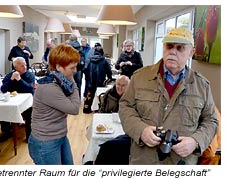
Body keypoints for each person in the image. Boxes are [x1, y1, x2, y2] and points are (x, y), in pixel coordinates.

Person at [119, 28, 218, 165]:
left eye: (180, 48)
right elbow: (125, 106)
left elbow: (211, 121)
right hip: (144, 161)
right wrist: (140, 130)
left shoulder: (202, 86)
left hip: (181, 163)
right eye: (169, 46)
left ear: (191, 52)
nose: (173, 51)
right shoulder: (140, 77)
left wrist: (195, 141)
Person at [28, 44, 81, 165]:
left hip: (59, 135)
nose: (75, 71)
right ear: (58, 67)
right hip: (46, 142)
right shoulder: (49, 87)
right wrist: (73, 81)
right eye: (72, 68)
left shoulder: (60, 81)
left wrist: (70, 79)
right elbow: (74, 109)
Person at [1, 57, 35, 142]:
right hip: (13, 101)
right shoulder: (10, 75)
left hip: (28, 101)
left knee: (30, 113)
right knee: (2, 111)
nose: (25, 67)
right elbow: (3, 89)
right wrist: (11, 79)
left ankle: (29, 136)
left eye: (25, 65)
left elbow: (30, 89)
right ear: (15, 67)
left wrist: (19, 80)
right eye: (22, 65)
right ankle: (7, 132)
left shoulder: (30, 75)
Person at [83, 42, 112, 114]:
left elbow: (86, 70)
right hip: (100, 81)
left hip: (91, 81)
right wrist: (110, 77)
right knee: (99, 96)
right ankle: (98, 110)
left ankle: (86, 109)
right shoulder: (104, 61)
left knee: (89, 95)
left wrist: (87, 78)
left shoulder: (90, 60)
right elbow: (109, 71)